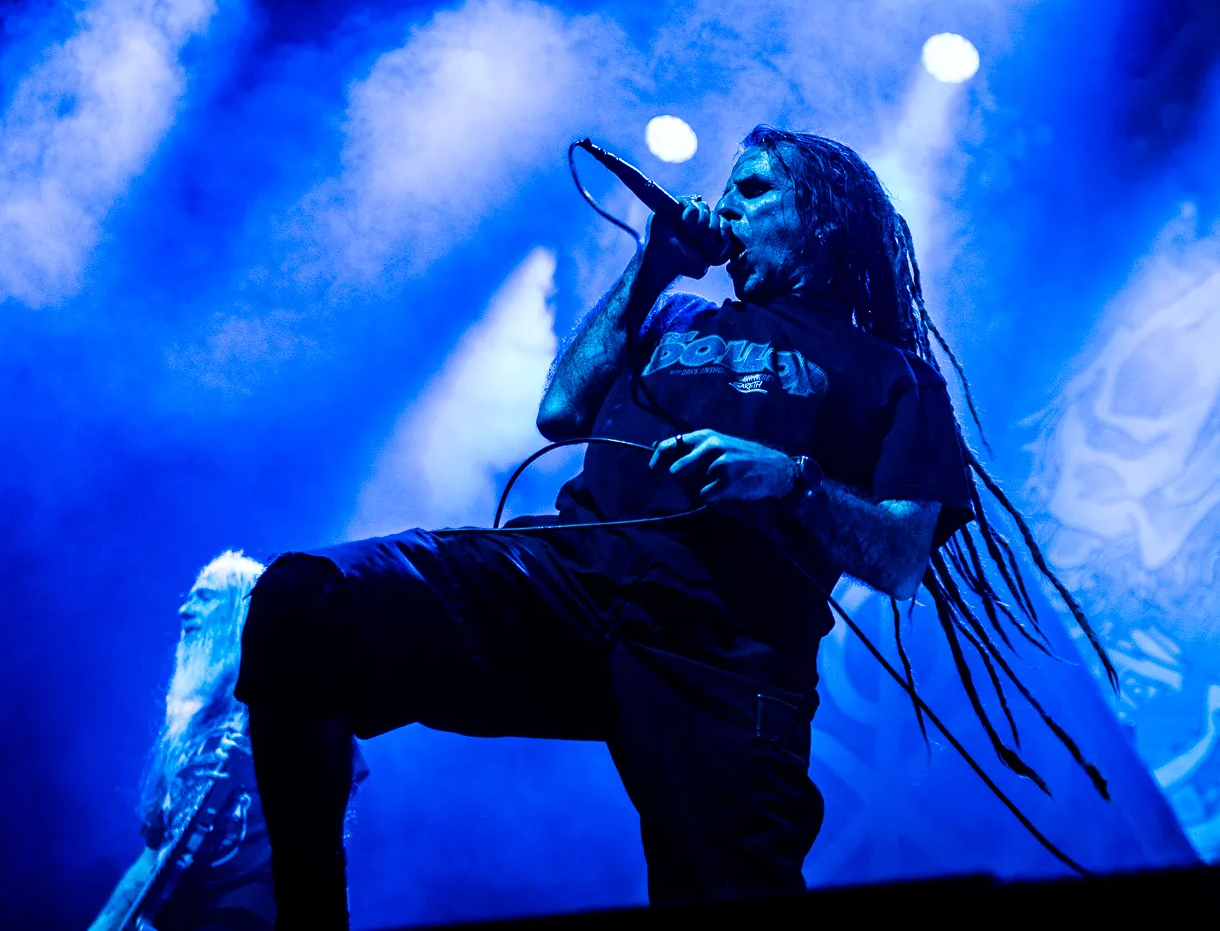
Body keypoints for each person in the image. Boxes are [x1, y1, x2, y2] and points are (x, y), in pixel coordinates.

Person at [235, 126, 1109, 929]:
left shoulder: (894, 375)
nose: (725, 206)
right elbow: (560, 408)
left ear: (822, 219)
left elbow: (900, 555)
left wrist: (790, 480)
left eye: (754, 189)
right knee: (308, 601)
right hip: (571, 576)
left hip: (724, 647)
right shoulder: (673, 316)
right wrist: (653, 264)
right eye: (727, 190)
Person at [89, 551, 278, 931]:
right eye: (189, 598)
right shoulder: (185, 730)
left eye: (204, 597)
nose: (184, 611)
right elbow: (151, 857)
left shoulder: (279, 706)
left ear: (241, 610)